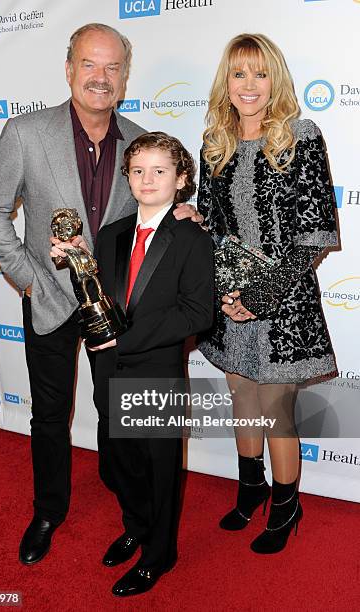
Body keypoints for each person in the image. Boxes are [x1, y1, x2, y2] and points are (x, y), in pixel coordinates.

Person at [0, 23, 200, 566]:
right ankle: (49, 509)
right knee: (49, 413)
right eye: (89, 65)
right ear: (69, 68)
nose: (100, 77)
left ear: (124, 76)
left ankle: (128, 505)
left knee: (116, 410)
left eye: (112, 67)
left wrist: (180, 213)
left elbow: (151, 213)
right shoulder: (26, 133)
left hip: (117, 311)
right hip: (49, 298)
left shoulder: (140, 141)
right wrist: (26, 276)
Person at [53, 131, 213, 596]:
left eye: (160, 171)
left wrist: (122, 341)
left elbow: (197, 312)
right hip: (108, 373)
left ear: (181, 180)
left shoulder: (191, 238)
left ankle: (160, 553)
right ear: (127, 176)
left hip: (156, 373)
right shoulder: (110, 234)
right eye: (138, 170)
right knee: (122, 462)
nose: (147, 179)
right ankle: (137, 527)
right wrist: (75, 260)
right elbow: (100, 297)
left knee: (160, 468)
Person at [197, 33, 338, 554]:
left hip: (284, 302)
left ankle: (286, 505)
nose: (249, 85)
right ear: (226, 83)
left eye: (260, 73)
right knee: (243, 402)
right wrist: (227, 293)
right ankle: (250, 487)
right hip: (229, 300)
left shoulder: (302, 136)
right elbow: (211, 229)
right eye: (239, 73)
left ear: (275, 79)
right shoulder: (215, 145)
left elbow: (315, 233)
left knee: (276, 410)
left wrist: (262, 294)